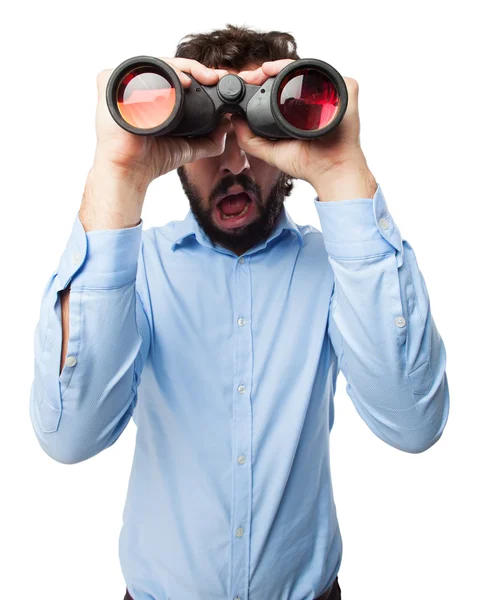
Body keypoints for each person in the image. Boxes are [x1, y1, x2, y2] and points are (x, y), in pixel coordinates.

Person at [29, 23, 450, 600]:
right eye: (210, 136)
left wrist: (342, 171)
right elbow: (69, 438)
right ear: (180, 143)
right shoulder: (137, 267)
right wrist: (117, 175)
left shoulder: (339, 268)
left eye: (254, 135)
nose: (233, 164)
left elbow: (413, 423)